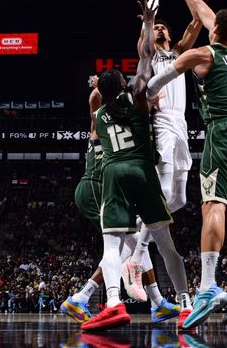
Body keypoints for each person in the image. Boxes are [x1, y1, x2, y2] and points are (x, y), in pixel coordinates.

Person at [146, 0, 227, 329]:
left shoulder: (200, 54)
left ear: (214, 33)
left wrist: (143, 92)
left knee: (213, 205)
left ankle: (209, 285)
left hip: (223, 132)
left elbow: (157, 81)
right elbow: (213, 18)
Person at [80, 0, 191, 332]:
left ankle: (114, 302)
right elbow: (145, 59)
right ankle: (185, 303)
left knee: (111, 244)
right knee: (167, 245)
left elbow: (98, 95)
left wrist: (97, 87)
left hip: (114, 173)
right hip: (143, 172)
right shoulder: (139, 99)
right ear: (125, 86)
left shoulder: (97, 114)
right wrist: (148, 20)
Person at [61, 80, 180, 325]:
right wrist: (99, 86)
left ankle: (85, 297)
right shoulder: (99, 121)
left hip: (107, 186)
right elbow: (94, 100)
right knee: (132, 245)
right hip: (94, 186)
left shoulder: (113, 120)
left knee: (133, 246)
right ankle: (154, 302)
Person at [125, 0, 202, 314]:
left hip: (182, 125)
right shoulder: (148, 56)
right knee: (165, 190)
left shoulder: (181, 52)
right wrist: (154, 3)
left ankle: (141, 242)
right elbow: (147, 26)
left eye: (163, 30)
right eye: (157, 30)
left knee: (181, 198)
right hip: (161, 126)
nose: (159, 32)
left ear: (171, 36)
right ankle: (138, 255)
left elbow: (198, 22)